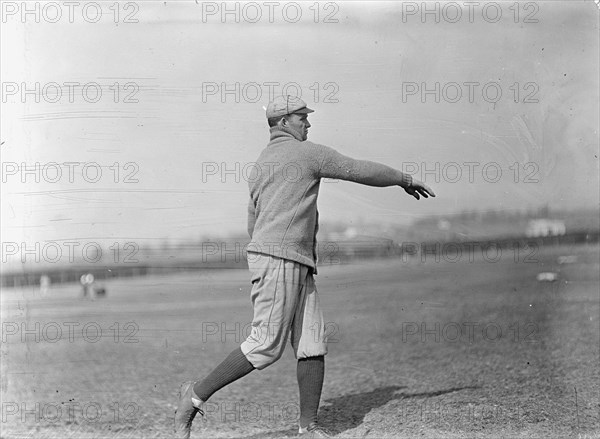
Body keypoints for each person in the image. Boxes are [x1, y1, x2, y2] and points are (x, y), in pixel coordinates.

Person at [174, 95, 435, 438]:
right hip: (282, 259)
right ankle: (192, 397)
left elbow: (253, 221)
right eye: (302, 118)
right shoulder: (306, 153)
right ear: (283, 122)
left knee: (311, 342)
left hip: (290, 259)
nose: (308, 124)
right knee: (265, 345)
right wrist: (403, 178)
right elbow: (356, 169)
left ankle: (308, 426)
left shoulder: (260, 163)